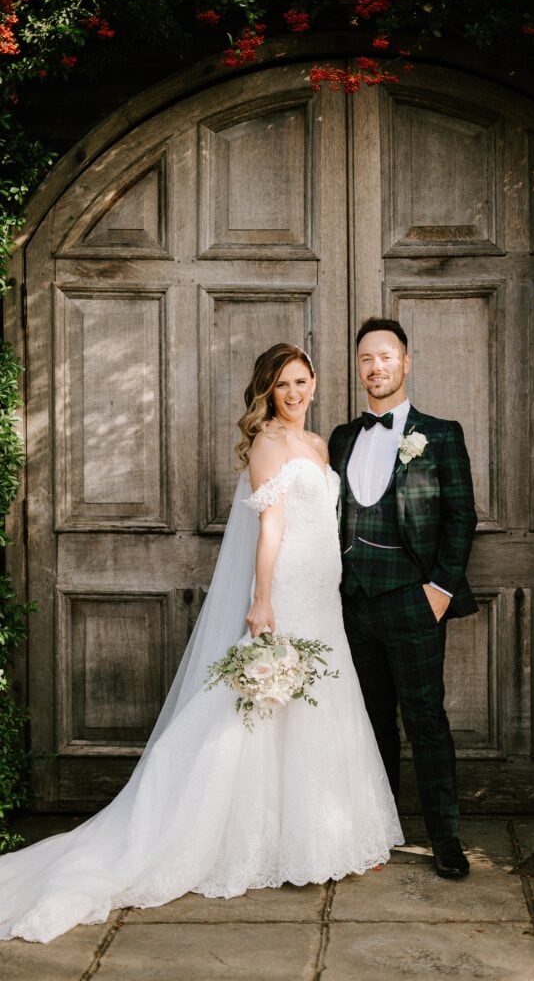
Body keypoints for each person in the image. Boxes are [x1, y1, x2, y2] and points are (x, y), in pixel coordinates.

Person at [0, 343, 402, 943]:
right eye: (282, 385)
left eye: (301, 381)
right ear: (267, 391)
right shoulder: (267, 444)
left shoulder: (320, 445)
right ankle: (222, 831)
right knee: (259, 711)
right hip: (287, 590)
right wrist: (262, 599)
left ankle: (328, 836)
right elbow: (271, 530)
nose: (293, 393)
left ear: (315, 380)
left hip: (325, 596)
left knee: (323, 707)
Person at [329, 318, 478, 880]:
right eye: (366, 358)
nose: (376, 367)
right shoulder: (343, 437)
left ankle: (446, 837)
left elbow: (461, 517)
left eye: (386, 356)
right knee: (370, 723)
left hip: (415, 604)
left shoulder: (439, 435)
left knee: (425, 720)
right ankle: (380, 830)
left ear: (406, 363)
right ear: (359, 368)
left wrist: (439, 591)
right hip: (353, 603)